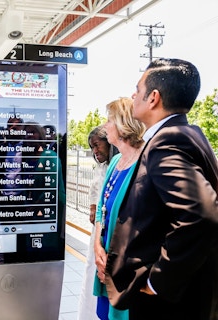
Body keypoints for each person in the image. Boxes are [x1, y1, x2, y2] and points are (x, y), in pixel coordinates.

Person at [105, 58, 218, 320]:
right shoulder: (187, 132)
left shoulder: (167, 140)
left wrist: (158, 281)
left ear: (153, 97)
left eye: (138, 89)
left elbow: (202, 215)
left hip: (169, 303)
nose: (133, 95)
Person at [93, 97, 146, 320]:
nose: (105, 127)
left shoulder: (145, 161)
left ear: (124, 124)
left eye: (109, 121)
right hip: (105, 260)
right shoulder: (116, 162)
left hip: (125, 268)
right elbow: (101, 208)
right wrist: (97, 246)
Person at [77, 125, 117, 320]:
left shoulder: (118, 164)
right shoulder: (101, 167)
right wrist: (93, 207)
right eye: (92, 147)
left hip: (111, 230)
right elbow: (95, 189)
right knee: (93, 267)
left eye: (97, 145)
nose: (95, 151)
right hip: (98, 229)